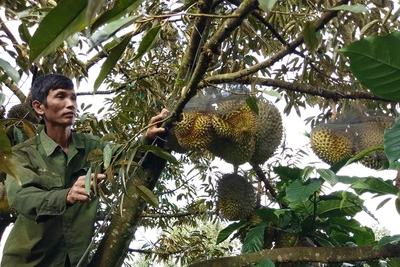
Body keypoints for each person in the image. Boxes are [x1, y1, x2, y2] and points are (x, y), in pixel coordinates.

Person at [1, 74, 167, 266]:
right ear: (39, 107)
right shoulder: (22, 153)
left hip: (75, 261)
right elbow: (22, 197)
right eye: (61, 96)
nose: (70, 104)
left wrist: (147, 137)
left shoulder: (93, 147)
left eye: (73, 97)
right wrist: (67, 196)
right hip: (28, 261)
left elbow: (127, 155)